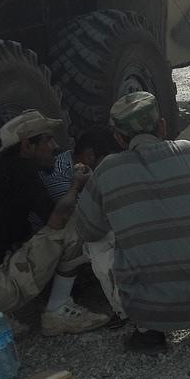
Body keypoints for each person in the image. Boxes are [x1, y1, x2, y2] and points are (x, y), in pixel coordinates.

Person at [75, 91, 190, 356]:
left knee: (96, 245)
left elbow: (88, 230)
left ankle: (147, 332)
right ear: (163, 126)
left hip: (147, 310)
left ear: (119, 138)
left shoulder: (107, 169)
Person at [0, 110, 111, 336]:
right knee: (75, 226)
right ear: (27, 146)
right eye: (47, 140)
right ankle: (58, 311)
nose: (54, 146)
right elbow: (57, 219)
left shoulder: (1, 172)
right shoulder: (22, 171)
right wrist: (77, 185)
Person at [39, 126, 127, 326]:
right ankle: (122, 306)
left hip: (63, 236)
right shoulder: (60, 174)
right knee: (108, 237)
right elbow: (80, 222)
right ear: (89, 156)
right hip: (51, 243)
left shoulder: (76, 165)